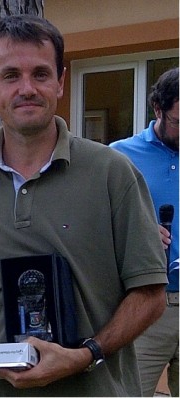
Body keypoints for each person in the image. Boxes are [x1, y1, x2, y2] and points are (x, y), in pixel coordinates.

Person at [0, 15, 168, 396]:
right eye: (11, 75)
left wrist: (86, 354)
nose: (26, 88)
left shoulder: (113, 173)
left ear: (60, 82)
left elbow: (150, 296)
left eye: (40, 74)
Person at [110, 67, 179, 397]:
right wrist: (138, 232)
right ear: (158, 110)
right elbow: (93, 228)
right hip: (145, 306)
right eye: (179, 122)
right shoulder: (119, 157)